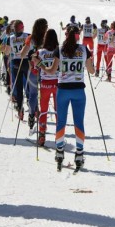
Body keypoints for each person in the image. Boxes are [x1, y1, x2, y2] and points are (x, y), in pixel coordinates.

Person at [38, 25, 94, 170]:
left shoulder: (60, 49)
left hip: (63, 90)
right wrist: (89, 60)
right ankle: (79, 153)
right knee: (78, 122)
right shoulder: (83, 49)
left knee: (61, 121)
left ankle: (60, 151)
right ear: (78, 35)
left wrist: (40, 64)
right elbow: (92, 71)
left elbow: (51, 72)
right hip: (78, 90)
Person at [19, 18, 48, 131]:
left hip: (33, 69)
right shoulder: (47, 39)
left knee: (33, 94)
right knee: (45, 94)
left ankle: (32, 114)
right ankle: (41, 117)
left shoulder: (30, 38)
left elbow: (22, 54)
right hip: (46, 69)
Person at [34, 28, 59, 146]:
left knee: (43, 110)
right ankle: (59, 134)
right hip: (58, 84)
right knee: (59, 110)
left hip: (45, 84)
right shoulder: (59, 51)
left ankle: (42, 134)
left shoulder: (41, 52)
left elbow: (35, 67)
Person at [3, 20, 29, 120]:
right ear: (22, 27)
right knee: (28, 85)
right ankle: (32, 108)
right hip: (26, 61)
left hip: (16, 63)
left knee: (18, 87)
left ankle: (20, 110)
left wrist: (5, 50)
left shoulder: (10, 38)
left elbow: (7, 52)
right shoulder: (27, 36)